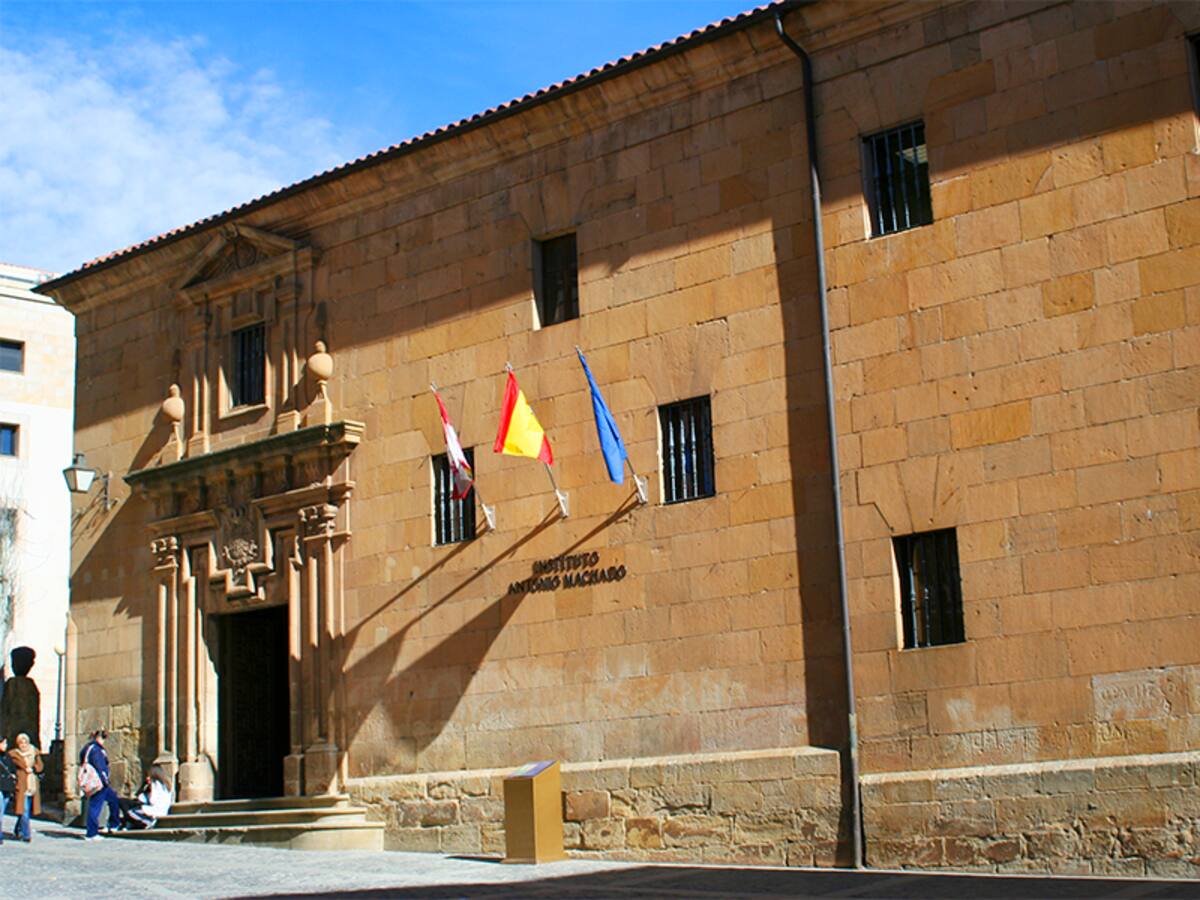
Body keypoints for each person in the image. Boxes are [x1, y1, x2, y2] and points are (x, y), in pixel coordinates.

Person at [79, 729, 121, 840]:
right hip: (98, 782)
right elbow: (100, 765)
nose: (104, 741)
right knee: (95, 806)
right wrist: (105, 779)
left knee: (113, 799)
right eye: (103, 738)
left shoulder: (87, 748)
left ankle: (114, 823)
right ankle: (91, 833)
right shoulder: (96, 750)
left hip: (97, 782)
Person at [8, 733, 42, 842]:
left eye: (25, 742)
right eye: (20, 743)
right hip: (21, 784)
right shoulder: (14, 754)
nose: (23, 745)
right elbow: (11, 768)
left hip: (32, 784)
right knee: (24, 809)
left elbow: (40, 766)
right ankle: (27, 835)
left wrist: (34, 768)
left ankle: (18, 829)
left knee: (23, 809)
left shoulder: (34, 752)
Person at [119, 764, 173, 830]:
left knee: (130, 812)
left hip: (155, 809)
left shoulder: (155, 783)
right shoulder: (166, 785)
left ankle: (147, 821)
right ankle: (130, 824)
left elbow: (152, 800)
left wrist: (149, 787)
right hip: (164, 810)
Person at [0, 737, 15, 845]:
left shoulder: (8, 756)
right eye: (3, 743)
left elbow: (13, 768)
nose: (5, 745)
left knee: (2, 811)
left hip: (7, 787)